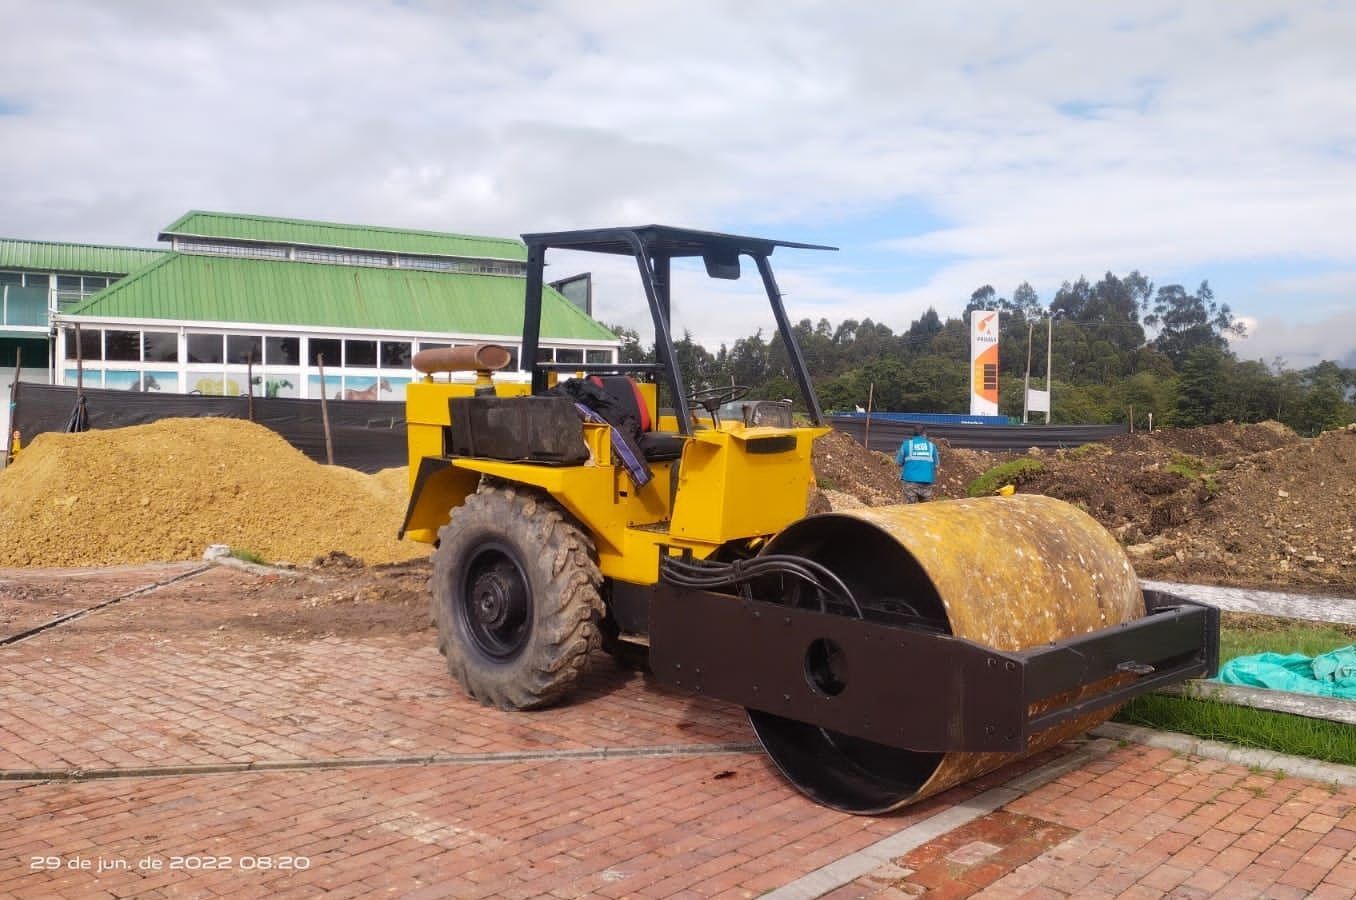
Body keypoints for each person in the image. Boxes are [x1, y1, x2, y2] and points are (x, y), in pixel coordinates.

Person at [896, 425, 939, 503]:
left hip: (910, 482)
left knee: (909, 510)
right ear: (924, 434)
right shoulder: (931, 446)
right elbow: (937, 465)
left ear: (913, 434)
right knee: (926, 509)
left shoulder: (906, 445)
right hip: (927, 482)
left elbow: (899, 463)